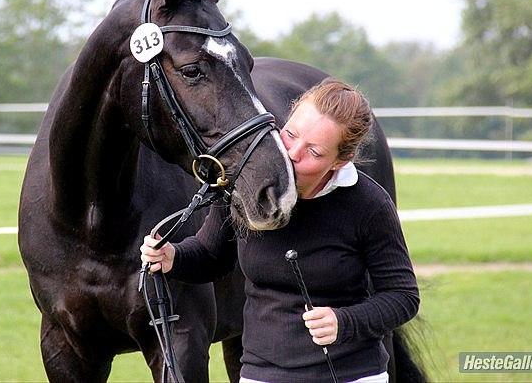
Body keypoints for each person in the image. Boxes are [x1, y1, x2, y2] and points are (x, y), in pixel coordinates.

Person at [140, 79, 419, 383]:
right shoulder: (245, 185)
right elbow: (211, 254)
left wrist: (345, 322)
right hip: (261, 374)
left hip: (351, 375)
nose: (293, 153)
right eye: (290, 134)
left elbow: (402, 296)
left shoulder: (369, 205)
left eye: (313, 151)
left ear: (340, 161)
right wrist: (172, 257)